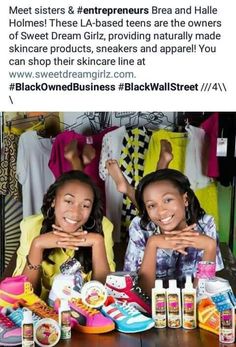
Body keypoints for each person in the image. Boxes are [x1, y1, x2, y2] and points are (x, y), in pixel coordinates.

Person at [14, 170, 115, 300]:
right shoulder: (31, 226)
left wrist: (97, 242)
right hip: (41, 314)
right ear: (53, 201)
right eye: (68, 201)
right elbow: (24, 297)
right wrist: (37, 246)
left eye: (85, 205)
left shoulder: (103, 227)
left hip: (85, 313)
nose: (75, 213)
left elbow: (104, 294)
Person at [123, 168, 224, 295]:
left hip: (192, 309)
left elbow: (204, 295)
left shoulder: (205, 225)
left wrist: (210, 246)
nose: (161, 211)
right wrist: (153, 243)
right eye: (152, 205)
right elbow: (142, 293)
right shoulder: (140, 228)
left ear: (185, 199)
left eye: (167, 200)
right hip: (151, 310)